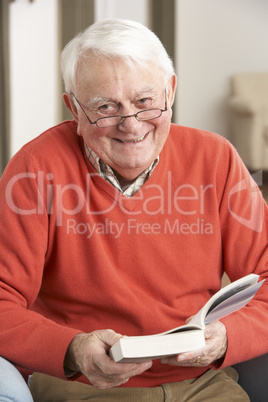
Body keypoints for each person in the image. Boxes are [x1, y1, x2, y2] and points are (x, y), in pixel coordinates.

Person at [0, 19, 267, 402]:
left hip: (201, 384)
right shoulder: (35, 169)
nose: (130, 125)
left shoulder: (216, 158)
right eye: (105, 107)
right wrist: (73, 349)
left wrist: (228, 337)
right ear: (74, 108)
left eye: (145, 102)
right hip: (80, 386)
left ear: (170, 91)